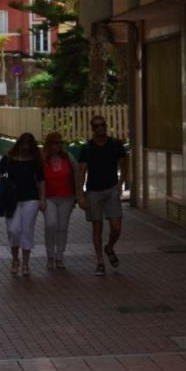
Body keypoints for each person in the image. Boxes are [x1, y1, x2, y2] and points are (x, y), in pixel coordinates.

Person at [79, 114, 128, 276]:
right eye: (97, 126)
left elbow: (124, 164)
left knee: (116, 227)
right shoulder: (87, 148)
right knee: (97, 227)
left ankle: (109, 247)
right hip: (93, 191)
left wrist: (120, 183)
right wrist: (81, 194)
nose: (100, 128)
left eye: (102, 125)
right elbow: (82, 171)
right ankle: (100, 262)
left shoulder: (115, 145)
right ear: (92, 129)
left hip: (111, 190)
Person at [0, 133, 45, 277]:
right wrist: (4, 180)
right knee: (13, 230)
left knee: (27, 230)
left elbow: (41, 180)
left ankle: (26, 263)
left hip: (31, 198)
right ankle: (15, 258)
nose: (26, 147)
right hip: (12, 199)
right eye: (24, 144)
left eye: (28, 144)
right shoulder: (9, 158)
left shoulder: (35, 160)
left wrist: (42, 198)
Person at [41, 132, 79, 270]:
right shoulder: (43, 159)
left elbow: (77, 174)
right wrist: (41, 198)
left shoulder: (68, 158)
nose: (59, 145)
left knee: (62, 227)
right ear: (49, 144)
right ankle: (50, 255)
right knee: (51, 224)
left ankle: (59, 256)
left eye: (60, 143)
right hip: (49, 197)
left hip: (67, 197)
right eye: (56, 143)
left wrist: (78, 195)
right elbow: (37, 179)